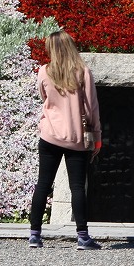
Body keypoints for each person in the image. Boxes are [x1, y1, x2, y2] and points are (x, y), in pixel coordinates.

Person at [28, 30, 102, 249]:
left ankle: (34, 235)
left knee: (43, 184)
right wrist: (96, 136)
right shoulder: (83, 72)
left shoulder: (44, 71)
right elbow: (91, 107)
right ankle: (82, 236)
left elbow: (43, 98)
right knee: (78, 187)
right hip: (76, 138)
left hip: (49, 135)